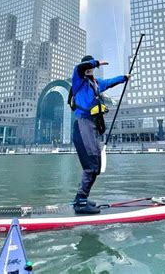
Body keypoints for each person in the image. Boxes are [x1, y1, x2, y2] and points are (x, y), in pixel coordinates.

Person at [71, 55, 130, 214]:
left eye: (92, 67)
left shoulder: (96, 84)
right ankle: (80, 202)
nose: (90, 69)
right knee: (91, 165)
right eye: (88, 67)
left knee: (95, 166)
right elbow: (80, 67)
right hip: (83, 124)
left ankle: (82, 198)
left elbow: (110, 82)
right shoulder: (78, 80)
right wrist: (96, 63)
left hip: (93, 126)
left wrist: (123, 78)